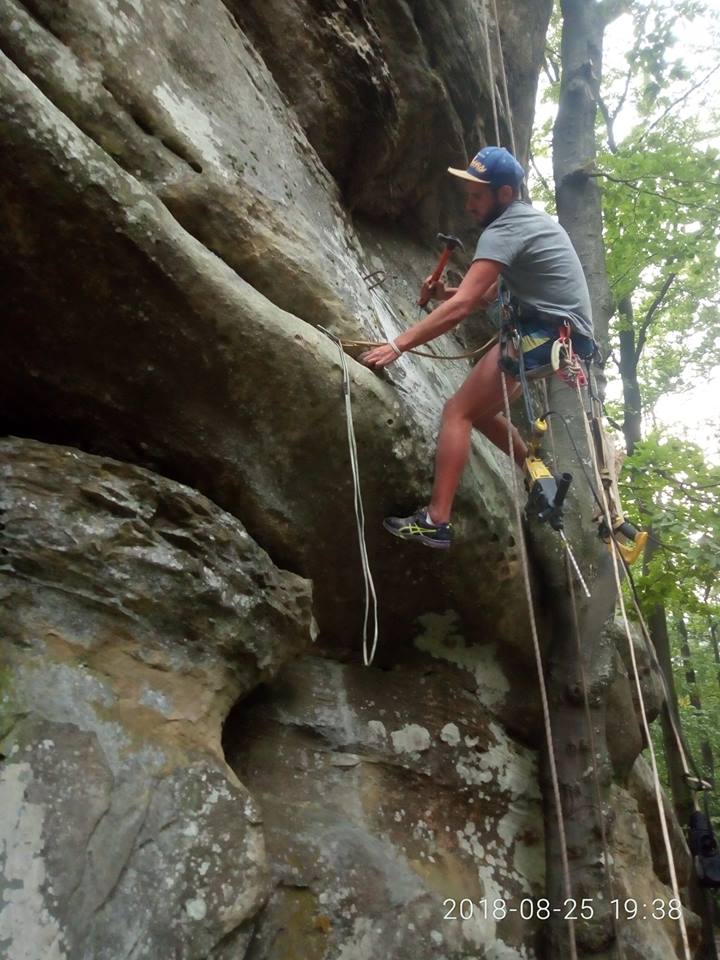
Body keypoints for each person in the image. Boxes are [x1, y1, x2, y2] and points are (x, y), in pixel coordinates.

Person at [361, 145, 594, 550]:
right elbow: (481, 295)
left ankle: (436, 521)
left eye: (477, 195)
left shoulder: (505, 228)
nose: (468, 204)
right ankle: (538, 473)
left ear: (504, 194)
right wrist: (444, 293)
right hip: (557, 335)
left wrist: (398, 345)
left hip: (545, 335)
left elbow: (465, 307)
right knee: (482, 412)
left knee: (457, 410)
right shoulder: (525, 223)